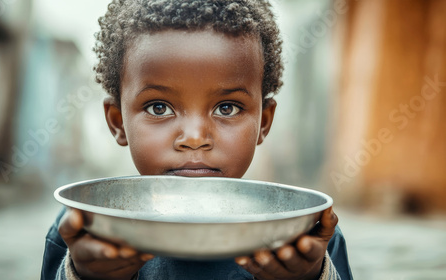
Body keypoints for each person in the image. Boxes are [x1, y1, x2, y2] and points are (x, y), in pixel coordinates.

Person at [41, 0, 353, 279]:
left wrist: (310, 275)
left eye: (227, 108)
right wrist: (84, 275)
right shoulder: (87, 230)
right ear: (118, 121)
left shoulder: (303, 234)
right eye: (159, 107)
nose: (194, 139)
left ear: (263, 123)